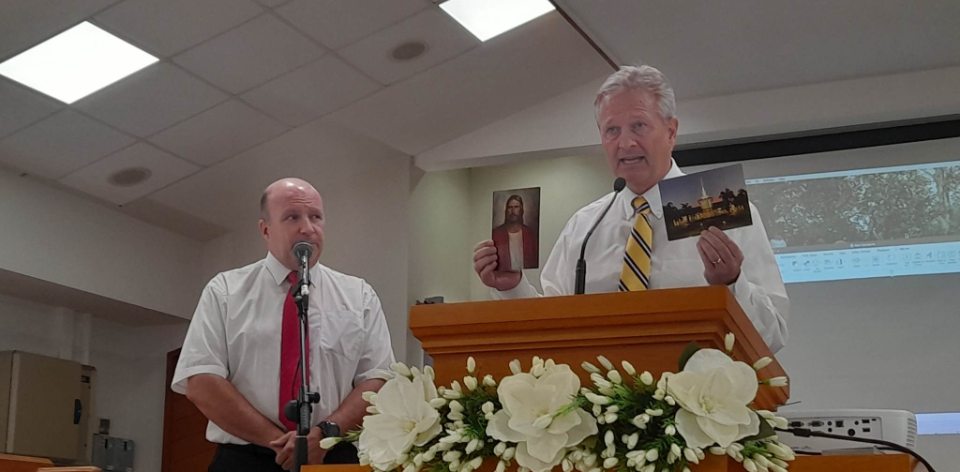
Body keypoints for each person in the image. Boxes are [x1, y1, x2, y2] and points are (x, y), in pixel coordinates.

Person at [472, 65, 789, 352]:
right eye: (612, 130)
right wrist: (512, 288)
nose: (625, 143)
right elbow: (550, 329)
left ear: (671, 131)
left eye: (639, 126)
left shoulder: (722, 210)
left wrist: (731, 284)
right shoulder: (584, 228)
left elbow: (772, 335)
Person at [172, 178, 395, 471]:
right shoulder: (225, 290)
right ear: (265, 229)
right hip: (246, 458)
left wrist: (324, 434)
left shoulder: (359, 295)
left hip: (332, 453)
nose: (307, 228)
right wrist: (278, 441)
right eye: (293, 217)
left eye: (316, 217)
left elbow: (377, 379)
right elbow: (201, 381)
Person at [491, 194, 539, 271]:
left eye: (516, 207)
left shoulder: (531, 234)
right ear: (506, 211)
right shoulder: (496, 234)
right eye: (510, 207)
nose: (513, 211)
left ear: (521, 210)